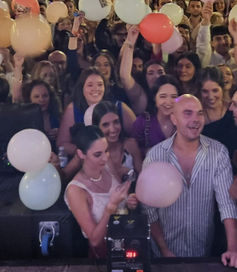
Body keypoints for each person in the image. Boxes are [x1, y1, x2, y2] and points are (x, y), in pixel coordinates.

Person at [142, 95, 237, 266]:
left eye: (199, 114)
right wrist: (164, 251)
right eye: (188, 113)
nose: (196, 120)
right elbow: (148, 210)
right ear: (174, 119)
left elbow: (227, 203)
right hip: (162, 256)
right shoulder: (156, 156)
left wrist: (233, 247)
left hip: (203, 253)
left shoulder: (218, 152)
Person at [64, 124, 137, 256]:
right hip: (104, 256)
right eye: (98, 154)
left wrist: (129, 200)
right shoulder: (76, 190)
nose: (105, 157)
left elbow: (121, 199)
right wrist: (111, 206)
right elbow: (95, 240)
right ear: (81, 154)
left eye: (106, 151)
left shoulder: (107, 165)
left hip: (129, 245)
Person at [131, 75, 182, 156]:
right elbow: (133, 149)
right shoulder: (142, 121)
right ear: (155, 97)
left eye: (174, 97)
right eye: (163, 96)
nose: (168, 102)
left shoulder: (183, 121)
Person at [91, 101, 143, 177]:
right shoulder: (92, 152)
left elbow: (143, 177)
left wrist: (130, 174)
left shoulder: (131, 145)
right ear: (97, 127)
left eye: (116, 122)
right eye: (105, 125)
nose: (112, 129)